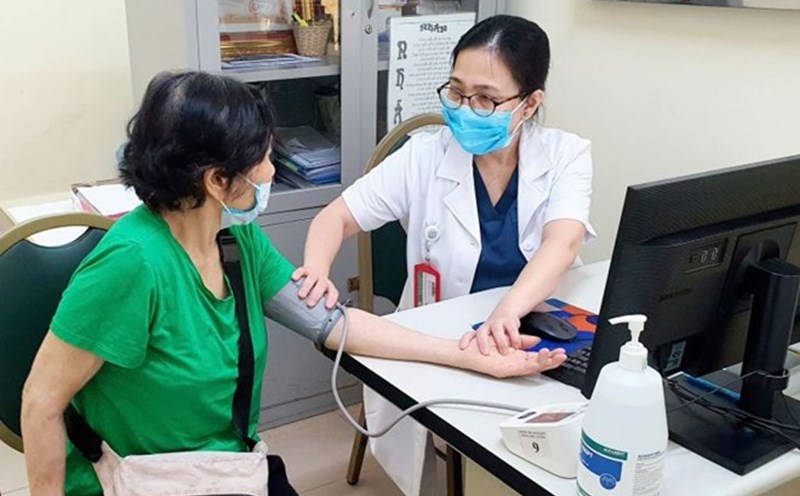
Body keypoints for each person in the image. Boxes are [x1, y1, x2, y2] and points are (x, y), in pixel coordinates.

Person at [19, 71, 563, 496]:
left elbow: (332, 322)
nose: (272, 171)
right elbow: (41, 400)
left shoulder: (233, 241)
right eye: (263, 158)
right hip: (142, 479)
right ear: (216, 180)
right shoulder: (133, 264)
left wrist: (465, 355)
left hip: (225, 467)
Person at [295, 15, 594, 496]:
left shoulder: (566, 156)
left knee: (560, 449)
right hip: (445, 336)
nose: (465, 109)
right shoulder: (423, 156)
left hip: (534, 324)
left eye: (486, 98)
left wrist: (507, 312)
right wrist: (316, 267)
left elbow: (563, 244)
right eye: (456, 92)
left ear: (530, 103)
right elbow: (337, 218)